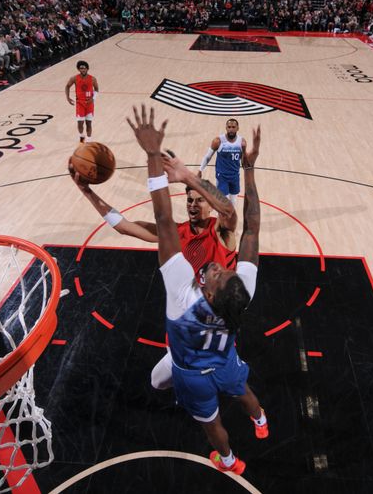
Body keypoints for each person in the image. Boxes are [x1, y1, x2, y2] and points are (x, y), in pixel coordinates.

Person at [127, 103, 267, 475]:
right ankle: (260, 419)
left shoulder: (180, 298)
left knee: (212, 426)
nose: (219, 268)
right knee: (243, 390)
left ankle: (228, 460)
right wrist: (249, 167)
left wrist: (153, 157)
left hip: (192, 373)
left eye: (217, 275)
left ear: (207, 294)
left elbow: (161, 218)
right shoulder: (242, 292)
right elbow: (251, 225)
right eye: (224, 272)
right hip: (225, 358)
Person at [71, 152, 238, 390]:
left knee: (224, 386)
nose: (192, 205)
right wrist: (87, 191)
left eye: (199, 201)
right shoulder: (176, 232)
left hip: (215, 330)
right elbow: (126, 226)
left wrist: (188, 177)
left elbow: (229, 212)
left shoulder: (221, 232)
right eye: (189, 201)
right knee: (157, 382)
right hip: (184, 329)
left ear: (210, 207)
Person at [198, 119, 246, 206]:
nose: (231, 129)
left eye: (233, 127)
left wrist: (247, 167)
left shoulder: (242, 142)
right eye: (229, 127)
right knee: (223, 203)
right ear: (226, 128)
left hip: (235, 176)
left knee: (233, 202)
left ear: (237, 128)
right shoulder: (218, 141)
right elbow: (208, 156)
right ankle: (220, 218)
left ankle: (231, 219)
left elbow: (243, 159)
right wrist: (200, 169)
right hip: (222, 176)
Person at [65, 60, 99, 143]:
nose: (83, 70)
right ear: (78, 69)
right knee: (80, 123)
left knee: (89, 123)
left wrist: (93, 98)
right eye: (81, 68)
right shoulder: (74, 78)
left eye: (84, 68)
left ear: (87, 69)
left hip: (89, 104)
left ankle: (89, 140)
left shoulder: (93, 79)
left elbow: (97, 89)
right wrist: (68, 97)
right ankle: (81, 137)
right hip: (80, 103)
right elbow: (67, 86)